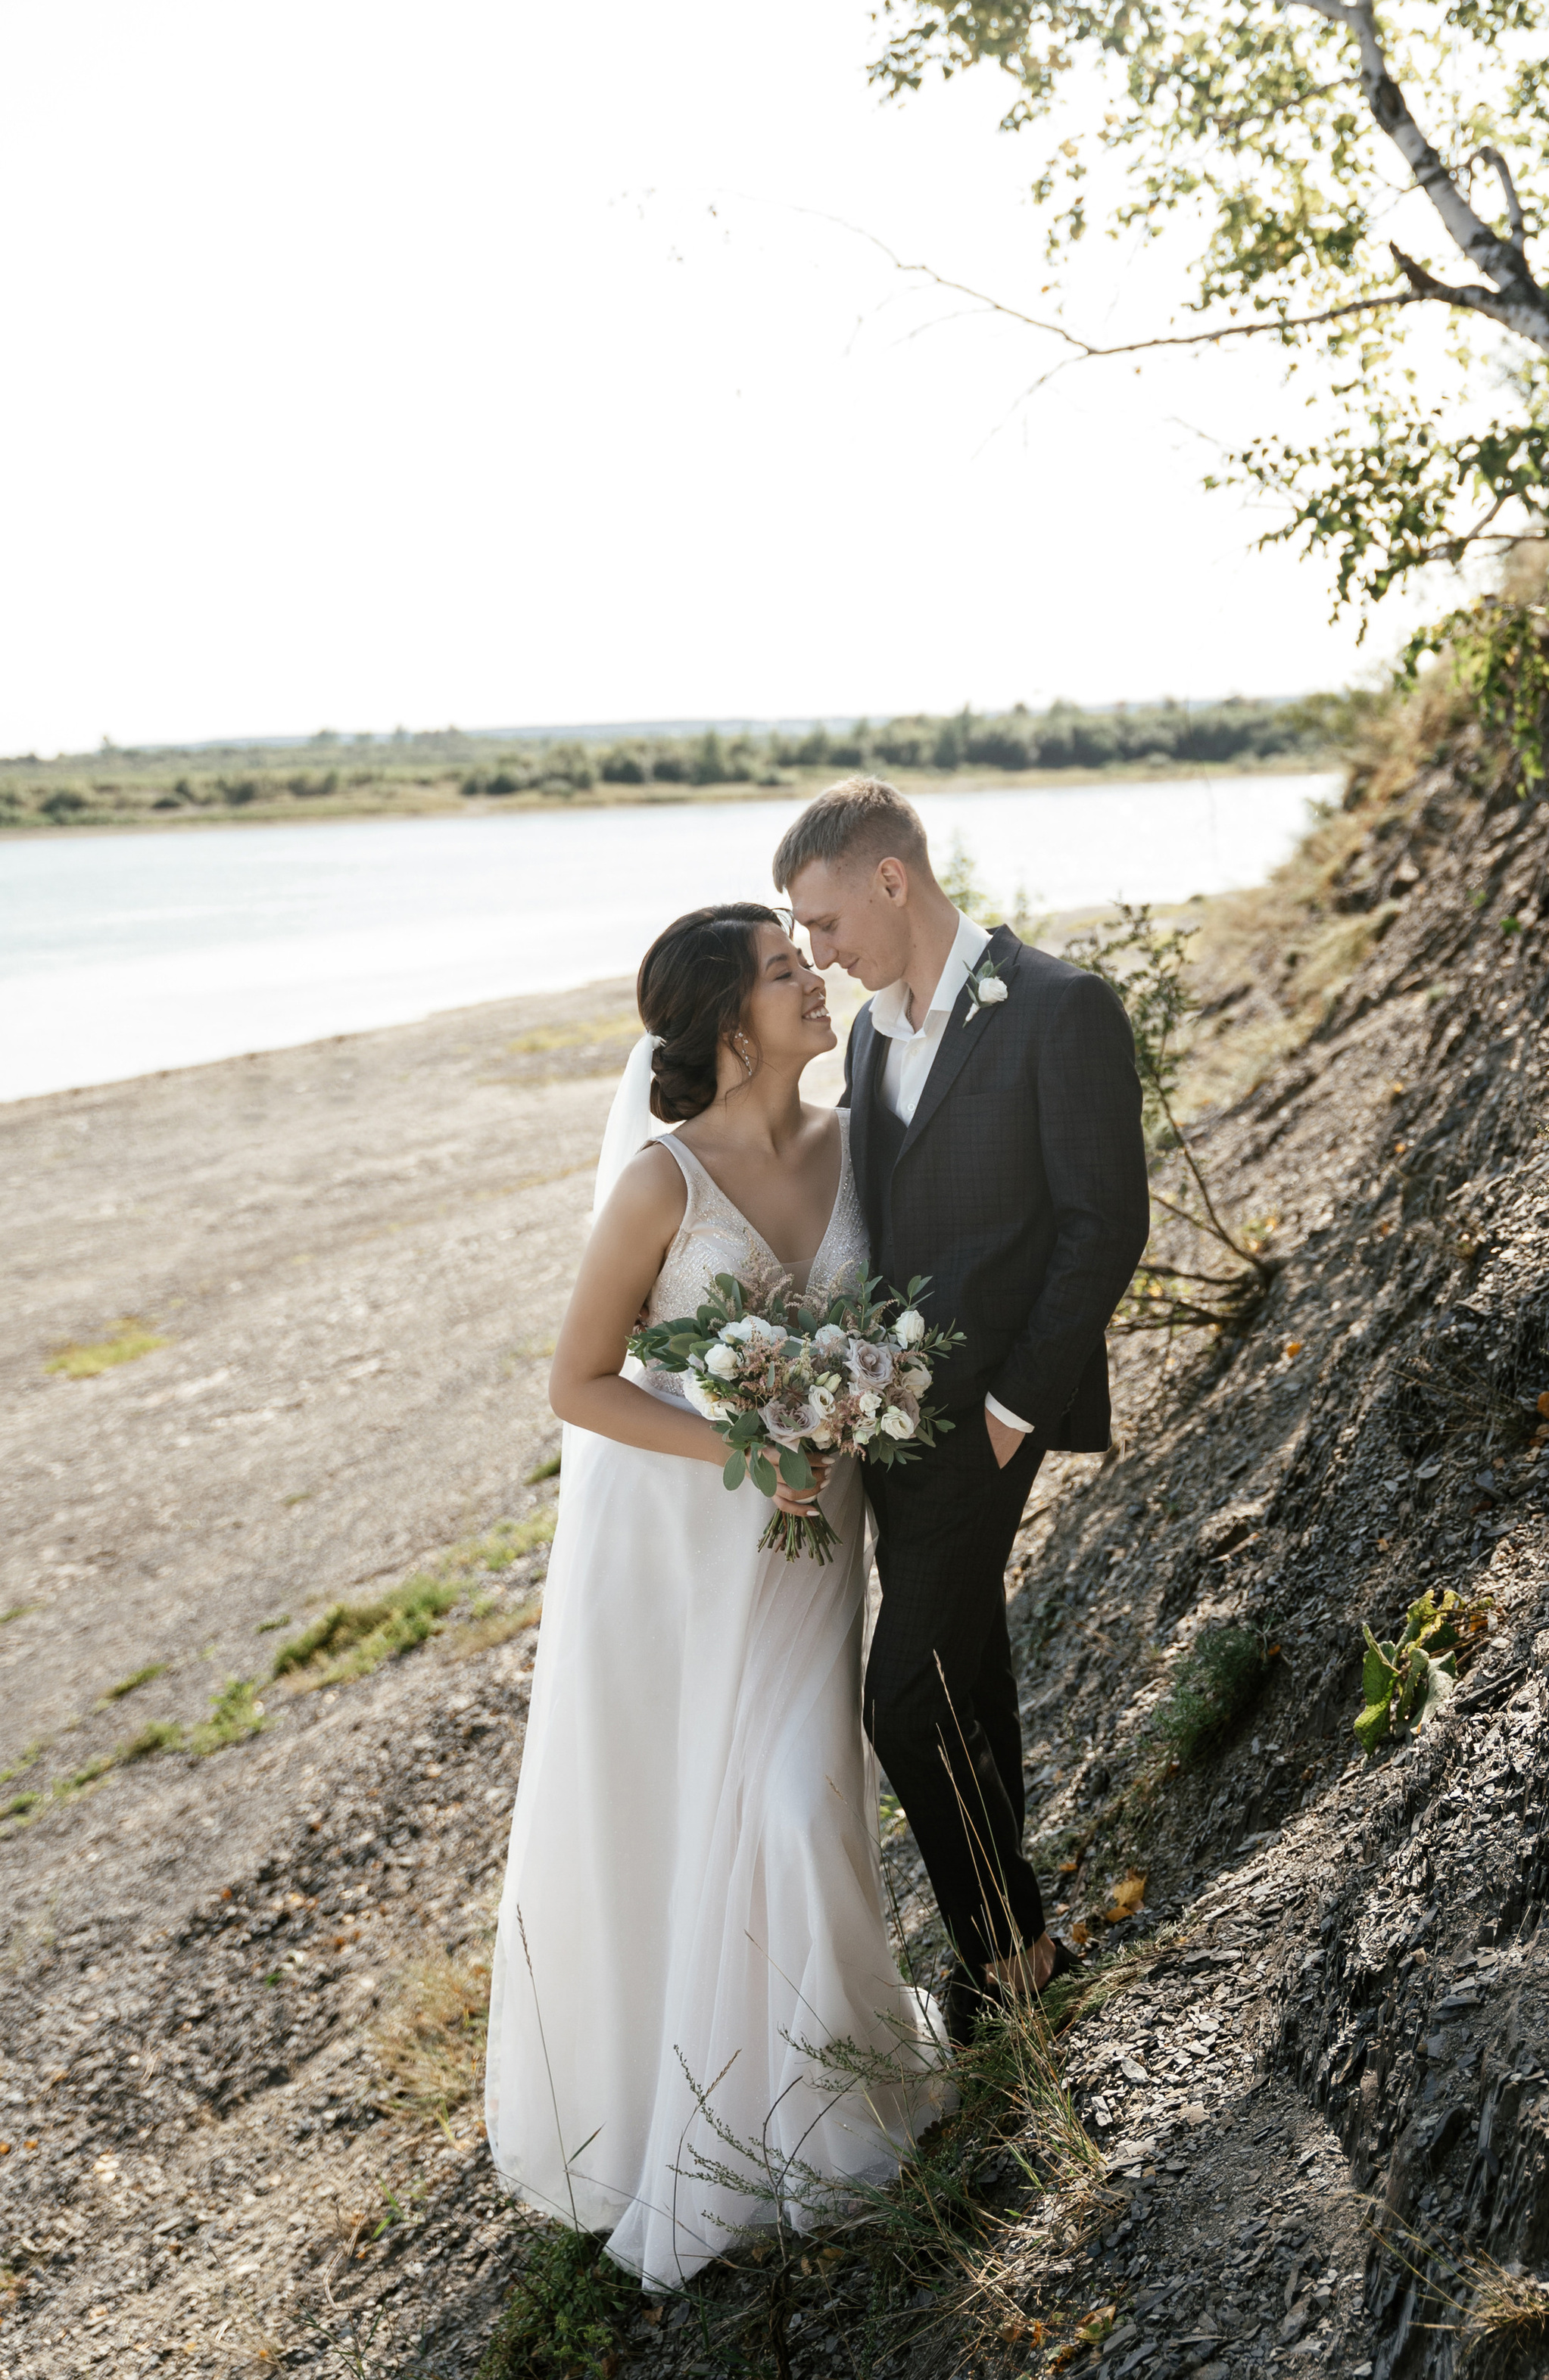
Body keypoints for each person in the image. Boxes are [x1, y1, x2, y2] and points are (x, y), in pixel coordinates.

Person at [485, 902, 945, 2288]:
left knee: (806, 1805)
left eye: (810, 961)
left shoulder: (863, 1140)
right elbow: (580, 1382)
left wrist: (862, 1410)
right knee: (707, 1805)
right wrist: (753, 1445)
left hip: (819, 1551)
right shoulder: (662, 1184)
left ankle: (834, 2106)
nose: (817, 979)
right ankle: (716, 2109)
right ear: (728, 1022)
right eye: (785, 970)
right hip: (696, 1550)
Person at [776, 781, 1149, 2043]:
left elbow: (1105, 1224)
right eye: (802, 938)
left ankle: (1001, 1957)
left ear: (892, 880)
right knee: (966, 1677)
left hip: (992, 1413)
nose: (819, 955)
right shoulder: (876, 1035)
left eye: (826, 923)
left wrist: (1009, 1408)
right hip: (892, 1427)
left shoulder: (1060, 1008)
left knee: (900, 1701)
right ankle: (1025, 1948)